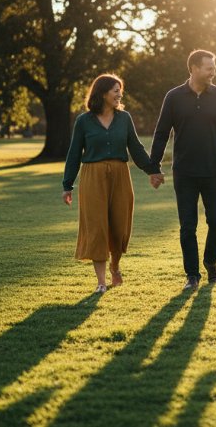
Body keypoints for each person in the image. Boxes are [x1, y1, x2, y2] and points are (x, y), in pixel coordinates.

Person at [149, 50, 216, 290]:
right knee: (188, 226)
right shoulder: (173, 97)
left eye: (214, 68)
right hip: (184, 172)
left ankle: (210, 262)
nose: (213, 72)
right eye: (208, 68)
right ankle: (192, 275)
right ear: (193, 68)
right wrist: (154, 167)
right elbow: (161, 133)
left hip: (214, 170)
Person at [62, 74, 158, 294]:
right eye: (115, 90)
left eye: (120, 90)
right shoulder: (83, 121)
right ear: (102, 93)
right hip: (93, 176)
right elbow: (74, 153)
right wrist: (67, 185)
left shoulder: (124, 118)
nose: (119, 94)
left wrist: (153, 170)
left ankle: (115, 265)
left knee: (120, 224)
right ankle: (101, 282)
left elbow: (135, 147)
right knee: (96, 227)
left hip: (120, 174)